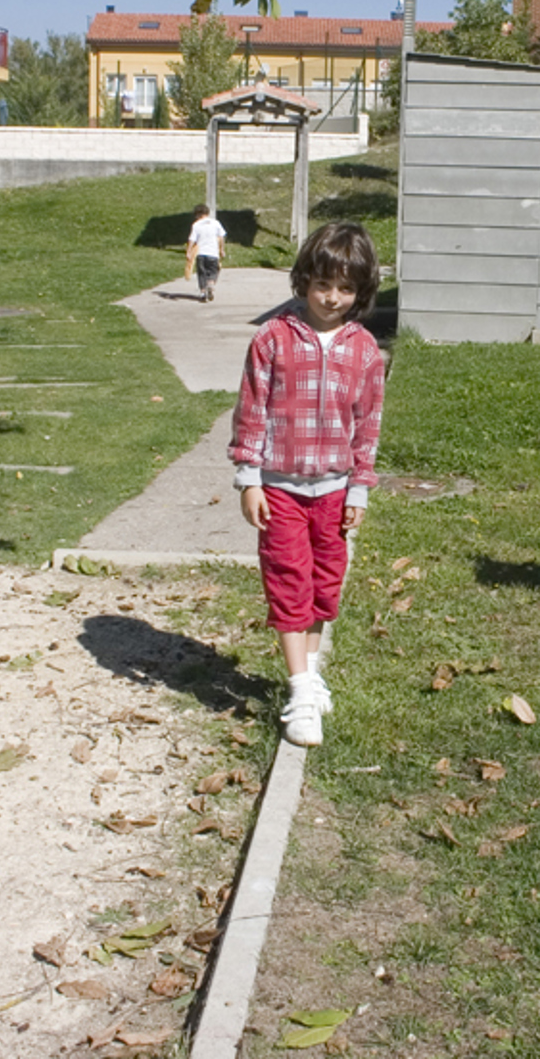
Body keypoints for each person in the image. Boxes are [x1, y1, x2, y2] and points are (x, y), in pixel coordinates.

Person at [229, 221, 385, 745]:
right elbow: (251, 412)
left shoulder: (364, 350)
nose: (332, 298)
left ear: (360, 293)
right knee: (289, 583)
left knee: (323, 585)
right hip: (279, 489)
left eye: (345, 289)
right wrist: (249, 478)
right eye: (323, 285)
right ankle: (299, 690)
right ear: (304, 280)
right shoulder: (272, 338)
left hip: (335, 491)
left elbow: (368, 425)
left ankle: (311, 673)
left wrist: (359, 486)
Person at [185, 204, 227, 302]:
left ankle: (203, 292)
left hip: (201, 254)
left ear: (198, 215)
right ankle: (211, 284)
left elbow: (191, 239)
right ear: (207, 213)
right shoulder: (216, 223)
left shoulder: (196, 225)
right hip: (213, 253)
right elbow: (221, 238)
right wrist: (221, 250)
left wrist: (189, 251)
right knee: (213, 271)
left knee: (202, 273)